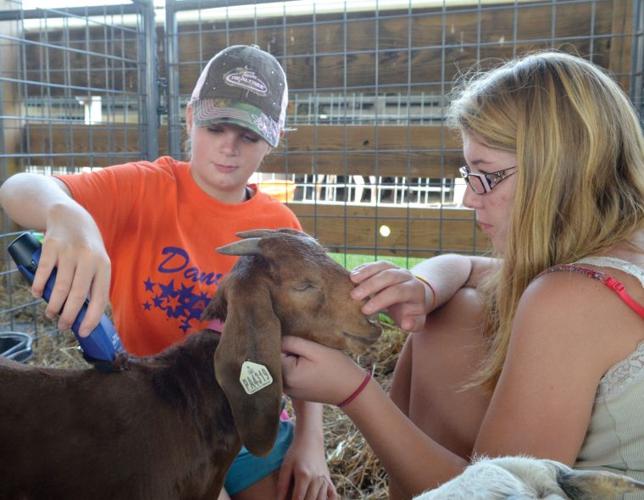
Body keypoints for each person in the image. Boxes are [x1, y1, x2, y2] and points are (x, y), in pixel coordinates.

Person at [280, 51, 644, 499]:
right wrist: (425, 287)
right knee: (459, 307)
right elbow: (469, 266)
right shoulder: (621, 256)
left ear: (557, 171)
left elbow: (495, 496)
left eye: (487, 176)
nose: (470, 199)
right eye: (467, 173)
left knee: (448, 323)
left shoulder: (570, 299)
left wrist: (355, 392)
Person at [0, 44, 337, 500]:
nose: (229, 147)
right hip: (157, 417)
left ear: (273, 139)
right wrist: (64, 209)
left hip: (250, 416)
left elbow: (303, 338)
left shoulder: (280, 229)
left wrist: (309, 442)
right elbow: (18, 188)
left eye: (249, 137)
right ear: (190, 116)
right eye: (216, 126)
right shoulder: (143, 188)